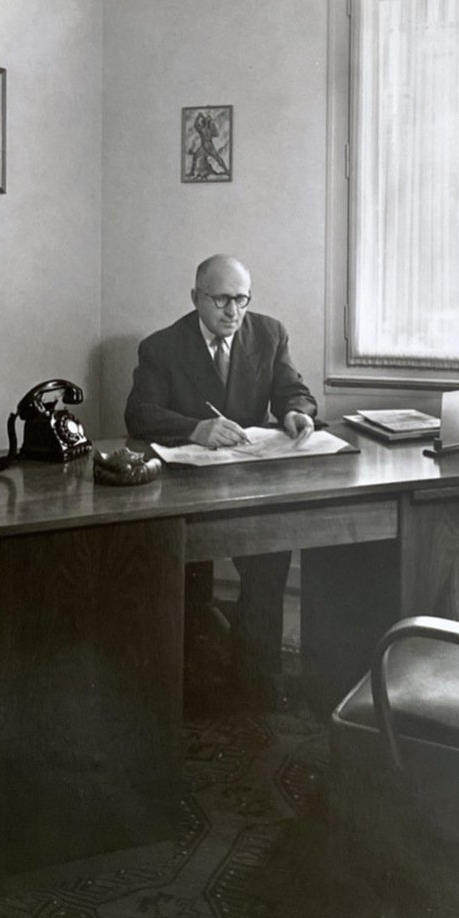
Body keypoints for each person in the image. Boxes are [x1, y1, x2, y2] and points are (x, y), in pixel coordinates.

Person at [125, 254, 317, 707]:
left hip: (247, 478)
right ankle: (190, 677)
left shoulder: (270, 334)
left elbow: (296, 392)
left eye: (242, 299)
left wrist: (295, 412)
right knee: (184, 570)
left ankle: (256, 677)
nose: (233, 312)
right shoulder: (162, 347)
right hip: (187, 486)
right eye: (222, 300)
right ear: (196, 298)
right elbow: (139, 413)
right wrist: (195, 428)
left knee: (270, 554)